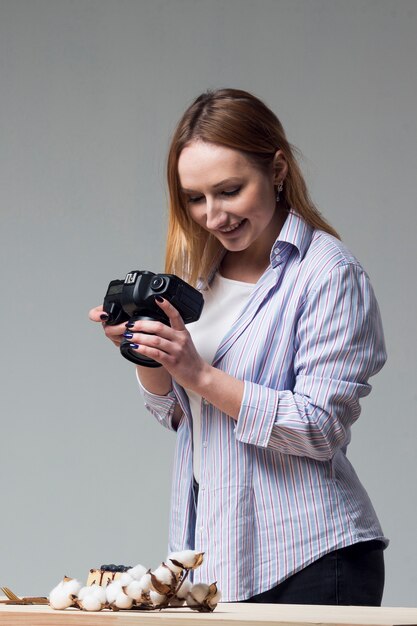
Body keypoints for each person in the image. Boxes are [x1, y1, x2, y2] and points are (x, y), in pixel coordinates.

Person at [89, 88, 388, 605]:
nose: (212, 215)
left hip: (314, 558)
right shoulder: (199, 277)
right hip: (221, 558)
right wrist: (150, 353)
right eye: (194, 198)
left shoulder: (328, 274)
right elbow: (178, 414)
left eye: (229, 190)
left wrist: (199, 372)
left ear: (276, 170)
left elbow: (320, 426)